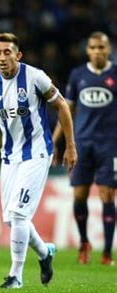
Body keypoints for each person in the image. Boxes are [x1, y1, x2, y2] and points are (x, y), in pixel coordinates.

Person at [0, 33, 77, 288]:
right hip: (9, 157)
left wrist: (70, 146)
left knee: (19, 215)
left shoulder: (35, 77)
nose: (2, 57)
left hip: (37, 153)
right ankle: (45, 253)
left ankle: (16, 276)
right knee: (13, 220)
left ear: (17, 55)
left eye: (7, 52)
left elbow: (63, 106)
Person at [53, 32, 116, 266]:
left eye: (101, 47)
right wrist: (55, 142)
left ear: (108, 49)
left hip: (110, 145)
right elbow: (65, 110)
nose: (97, 51)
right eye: (93, 47)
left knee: (107, 195)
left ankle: (108, 252)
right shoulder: (78, 75)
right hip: (82, 144)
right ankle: (83, 242)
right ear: (87, 50)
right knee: (79, 195)